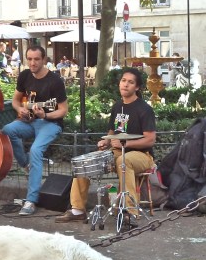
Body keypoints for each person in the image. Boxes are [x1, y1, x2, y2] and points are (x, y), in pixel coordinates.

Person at [56, 67, 156, 227]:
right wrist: (106, 141)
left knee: (125, 161)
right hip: (117, 151)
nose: (126, 85)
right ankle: (77, 210)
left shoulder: (144, 109)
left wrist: (126, 144)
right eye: (124, 81)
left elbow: (150, 140)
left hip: (141, 155)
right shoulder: (117, 107)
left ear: (137, 87)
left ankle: (130, 212)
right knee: (86, 162)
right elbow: (113, 131)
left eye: (130, 82)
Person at [1, 45, 69, 216]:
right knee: (7, 130)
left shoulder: (55, 81)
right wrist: (20, 110)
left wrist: (45, 115)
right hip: (29, 120)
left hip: (50, 123)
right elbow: (16, 101)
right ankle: (26, 164)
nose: (32, 62)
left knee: (36, 150)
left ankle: (31, 200)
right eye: (29, 59)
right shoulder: (24, 75)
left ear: (44, 59)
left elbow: (63, 110)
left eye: (36, 59)